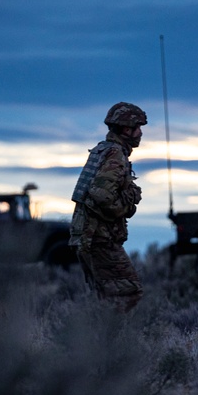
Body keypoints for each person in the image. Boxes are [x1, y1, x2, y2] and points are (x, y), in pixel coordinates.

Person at [69, 102, 146, 311]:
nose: (140, 133)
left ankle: (94, 341)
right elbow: (101, 195)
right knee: (129, 291)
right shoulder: (115, 155)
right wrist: (128, 203)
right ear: (125, 129)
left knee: (104, 297)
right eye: (137, 128)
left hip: (90, 237)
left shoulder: (103, 151)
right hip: (99, 239)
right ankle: (106, 341)